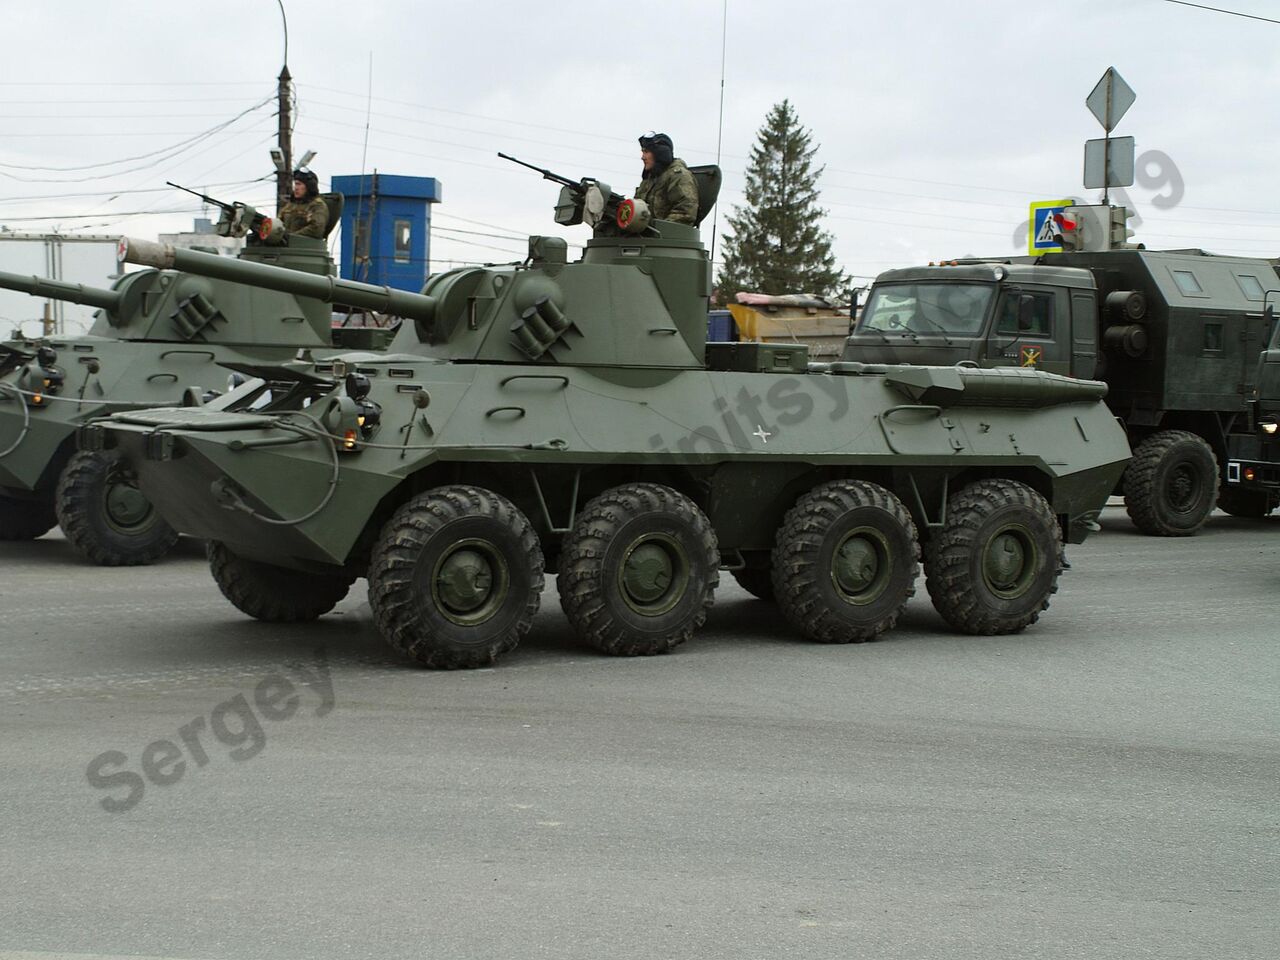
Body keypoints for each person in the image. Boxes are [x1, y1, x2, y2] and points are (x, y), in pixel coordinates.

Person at [635, 132, 698, 224]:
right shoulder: (650, 179)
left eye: (646, 152)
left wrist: (656, 228)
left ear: (660, 154)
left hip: (667, 235)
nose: (642, 157)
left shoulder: (678, 176)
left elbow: (685, 213)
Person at [279, 169, 328, 238]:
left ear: (309, 186)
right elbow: (279, 223)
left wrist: (292, 237)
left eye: (299, 184)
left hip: (304, 245)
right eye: (295, 184)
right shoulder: (291, 205)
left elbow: (316, 229)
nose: (296, 188)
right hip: (287, 245)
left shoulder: (317, 206)